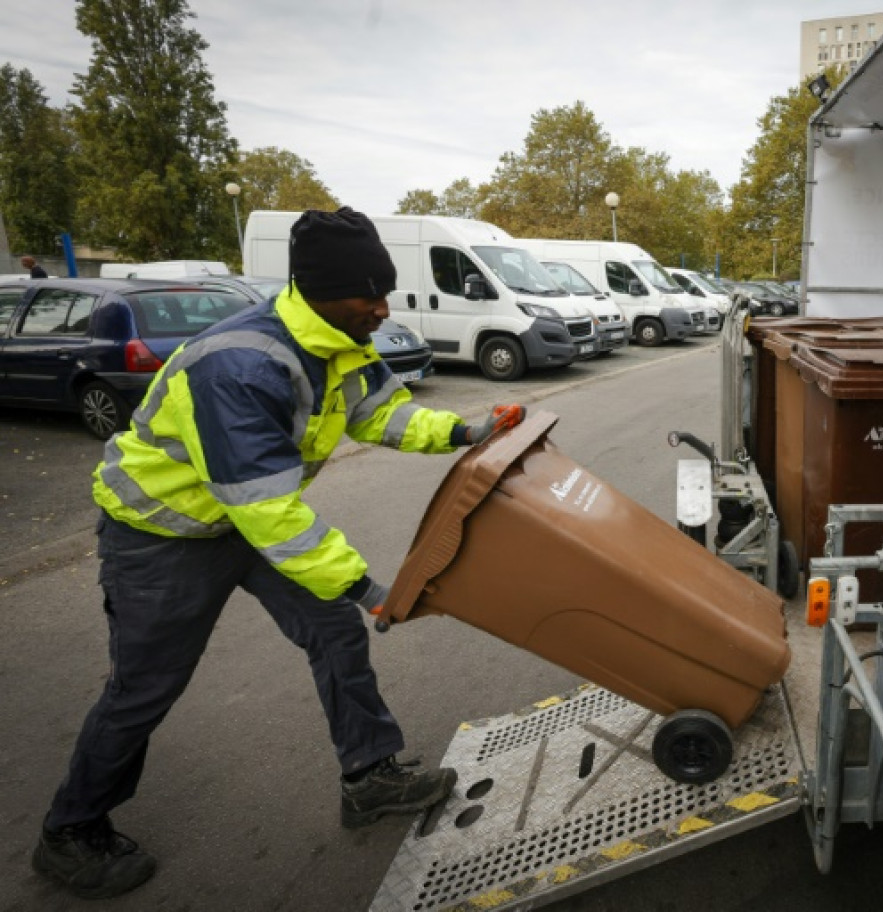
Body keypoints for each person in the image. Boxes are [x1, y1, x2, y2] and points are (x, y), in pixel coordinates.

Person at [32, 207, 526, 900]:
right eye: (369, 296)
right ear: (320, 290)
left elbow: (379, 412)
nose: (383, 309)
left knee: (332, 632)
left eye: (385, 292)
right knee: (144, 689)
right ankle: (70, 831)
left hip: (243, 520)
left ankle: (369, 777)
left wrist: (466, 430)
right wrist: (363, 584)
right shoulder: (239, 364)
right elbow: (268, 511)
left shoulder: (338, 338)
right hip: (161, 537)